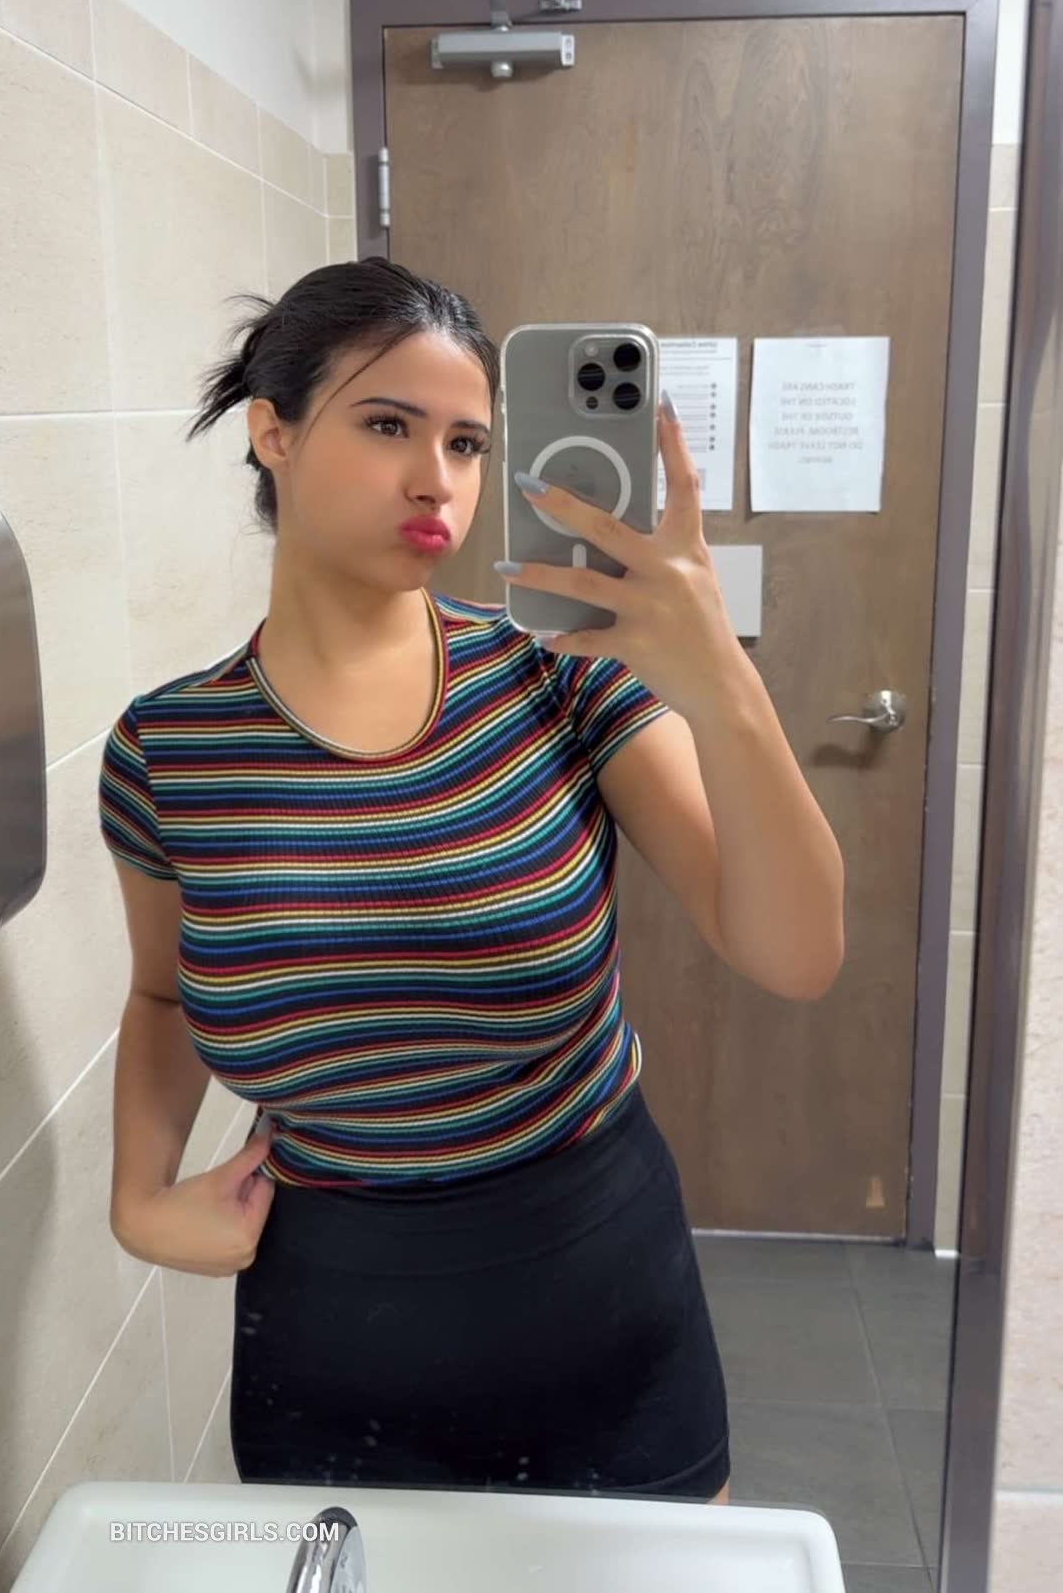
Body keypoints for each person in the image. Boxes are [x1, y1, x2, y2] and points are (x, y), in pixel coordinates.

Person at [99, 256, 732, 1502]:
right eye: (388, 424)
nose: (436, 477)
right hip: (330, 1318)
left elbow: (794, 948)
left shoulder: (562, 682)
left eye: (466, 442)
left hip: (597, 1278)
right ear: (273, 433)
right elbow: (164, 995)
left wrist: (722, 678)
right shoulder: (168, 749)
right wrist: (137, 1197)